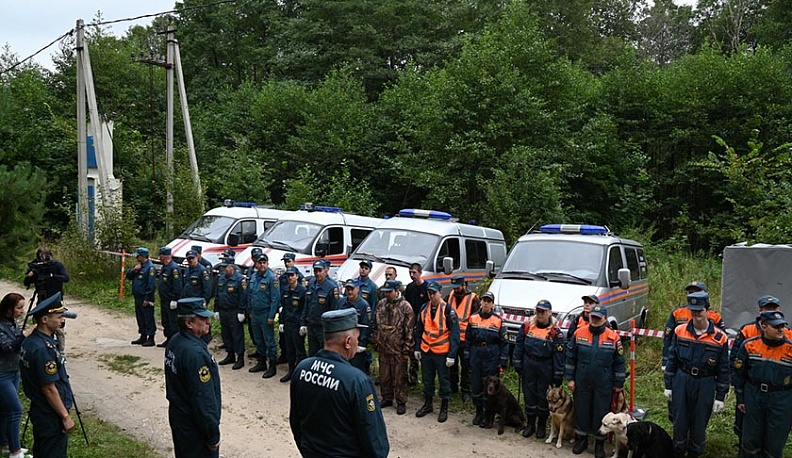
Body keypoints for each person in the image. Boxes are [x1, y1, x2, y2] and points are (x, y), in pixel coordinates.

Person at [289, 308, 389, 458]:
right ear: (348, 342)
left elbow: (295, 422)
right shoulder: (357, 381)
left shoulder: (302, 369)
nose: (357, 342)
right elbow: (372, 436)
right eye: (357, 338)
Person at [664, 291, 729, 458]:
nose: (696, 315)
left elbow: (723, 369)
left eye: (699, 311)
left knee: (699, 422)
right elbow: (672, 359)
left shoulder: (720, 338)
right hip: (682, 379)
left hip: (705, 382)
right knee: (679, 420)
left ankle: (694, 452)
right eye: (693, 311)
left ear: (707, 310)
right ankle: (678, 451)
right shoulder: (680, 331)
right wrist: (668, 385)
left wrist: (720, 396)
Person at [730, 294, 792, 453]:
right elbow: (739, 373)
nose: (781, 329)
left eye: (782, 326)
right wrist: (741, 398)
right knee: (750, 441)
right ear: (763, 326)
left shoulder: (790, 348)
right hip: (754, 396)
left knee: (774, 443)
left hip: (781, 399)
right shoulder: (749, 345)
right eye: (776, 326)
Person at [19, 293, 76, 458]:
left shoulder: (33, 341)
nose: (62, 320)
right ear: (45, 319)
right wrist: (65, 416)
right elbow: (49, 388)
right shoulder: (42, 348)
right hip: (50, 413)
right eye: (59, 317)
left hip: (41, 410)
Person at [566, 304, 625, 457]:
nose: (595, 320)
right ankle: (581, 440)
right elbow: (570, 357)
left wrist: (618, 383)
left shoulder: (613, 337)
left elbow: (619, 362)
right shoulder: (579, 333)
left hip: (603, 382)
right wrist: (570, 378)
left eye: (598, 318)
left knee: (601, 412)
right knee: (582, 410)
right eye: (593, 317)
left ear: (605, 319)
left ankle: (599, 444)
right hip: (582, 380)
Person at [165, 297, 221, 458]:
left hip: (180, 420)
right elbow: (203, 398)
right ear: (189, 323)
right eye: (202, 318)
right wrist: (212, 435)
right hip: (195, 426)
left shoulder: (175, 341)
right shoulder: (195, 354)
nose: (208, 322)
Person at [513, 299, 565, 438]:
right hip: (529, 363)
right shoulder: (527, 326)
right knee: (529, 395)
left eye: (543, 311)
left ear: (549, 313)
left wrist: (558, 373)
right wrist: (517, 362)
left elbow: (559, 355)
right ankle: (530, 424)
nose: (540, 314)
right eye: (538, 311)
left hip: (545, 366)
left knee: (543, 397)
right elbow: (519, 345)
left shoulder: (555, 332)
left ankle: (541, 425)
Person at [414, 281, 460, 423]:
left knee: (443, 380)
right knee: (427, 378)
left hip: (441, 351)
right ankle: (428, 404)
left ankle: (444, 407)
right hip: (426, 350)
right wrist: (417, 348)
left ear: (440, 293)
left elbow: (455, 333)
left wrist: (452, 355)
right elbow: (419, 329)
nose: (432, 296)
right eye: (429, 293)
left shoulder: (448, 310)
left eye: (434, 293)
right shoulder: (424, 308)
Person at [466, 291, 509, 428]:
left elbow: (504, 342)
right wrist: (467, 354)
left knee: (490, 388)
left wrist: (503, 360)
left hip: (491, 355)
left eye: (489, 301)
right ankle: (479, 412)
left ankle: (488, 415)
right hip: (476, 353)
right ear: (481, 302)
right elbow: (468, 338)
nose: (486, 303)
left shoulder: (498, 320)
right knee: (476, 386)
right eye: (484, 300)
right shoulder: (473, 318)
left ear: (492, 304)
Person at [372, 279, 414, 415]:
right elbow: (376, 325)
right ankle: (387, 398)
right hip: (383, 348)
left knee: (399, 377)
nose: (387, 294)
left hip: (398, 350)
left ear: (397, 291)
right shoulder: (381, 304)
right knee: (384, 376)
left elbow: (409, 331)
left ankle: (401, 401)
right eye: (385, 292)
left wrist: (406, 349)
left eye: (389, 292)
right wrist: (376, 341)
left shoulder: (405, 307)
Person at [0, 293, 32, 458]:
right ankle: (15, 451)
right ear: (8, 308)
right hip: (2, 374)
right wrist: (24, 335)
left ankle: (5, 444)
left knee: (5, 410)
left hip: (13, 371)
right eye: (19, 308)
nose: (22, 311)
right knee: (15, 410)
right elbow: (7, 347)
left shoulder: (12, 321)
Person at [445, 275, 479, 402]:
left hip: (466, 339)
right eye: (454, 287)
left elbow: (476, 319)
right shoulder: (450, 296)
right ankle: (453, 387)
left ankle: (465, 390)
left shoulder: (473, 298)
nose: (455, 289)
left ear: (464, 285)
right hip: (452, 339)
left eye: (457, 287)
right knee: (452, 365)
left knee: (466, 367)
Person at [247, 253, 280, 378]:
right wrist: (250, 310)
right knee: (258, 339)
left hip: (266, 313)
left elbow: (275, 299)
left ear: (267, 263)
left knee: (269, 341)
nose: (262, 265)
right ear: (256, 264)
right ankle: (261, 362)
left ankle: (272, 366)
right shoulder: (254, 276)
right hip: (255, 313)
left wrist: (271, 316)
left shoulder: (272, 278)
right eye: (259, 262)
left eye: (264, 262)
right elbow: (250, 294)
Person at [215, 252, 248, 371]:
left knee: (237, 335)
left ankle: (240, 357)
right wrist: (216, 309)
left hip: (234, 311)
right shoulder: (221, 278)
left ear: (232, 266)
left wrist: (241, 311)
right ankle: (230, 354)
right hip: (223, 310)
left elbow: (243, 297)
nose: (224, 269)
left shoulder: (239, 280)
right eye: (223, 267)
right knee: (226, 334)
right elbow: (217, 294)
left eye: (226, 267)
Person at [301, 260, 339, 357]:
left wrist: (331, 329)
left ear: (325, 271)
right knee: (312, 355)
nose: (317, 274)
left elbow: (334, 310)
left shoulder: (332, 288)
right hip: (311, 326)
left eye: (320, 271)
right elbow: (306, 304)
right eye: (315, 271)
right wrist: (303, 322)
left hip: (323, 329)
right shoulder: (311, 283)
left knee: (324, 355)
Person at [335, 279, 372, 373]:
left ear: (357, 289)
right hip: (342, 343)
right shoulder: (341, 302)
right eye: (348, 289)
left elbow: (366, 326)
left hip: (356, 344)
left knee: (356, 370)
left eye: (352, 289)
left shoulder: (363, 305)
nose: (350, 292)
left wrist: (362, 344)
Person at [278, 266, 307, 383]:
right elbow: (283, 308)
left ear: (297, 276)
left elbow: (304, 309)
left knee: (299, 350)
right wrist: (281, 322)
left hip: (297, 325)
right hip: (288, 323)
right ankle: (291, 371)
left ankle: (301, 373)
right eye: (288, 276)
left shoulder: (302, 291)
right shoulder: (285, 290)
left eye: (292, 275)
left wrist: (303, 324)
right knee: (289, 350)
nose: (290, 278)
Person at [126, 247, 157, 347]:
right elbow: (128, 276)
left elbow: (151, 285)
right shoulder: (139, 266)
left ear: (143, 256)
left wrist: (148, 298)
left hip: (145, 297)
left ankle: (151, 338)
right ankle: (143, 335)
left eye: (138, 256)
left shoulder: (150, 268)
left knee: (148, 317)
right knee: (140, 317)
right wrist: (134, 270)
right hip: (137, 296)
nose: (136, 258)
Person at [403, 263, 428, 386]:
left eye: (414, 273)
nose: (412, 275)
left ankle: (425, 378)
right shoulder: (409, 287)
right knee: (411, 350)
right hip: (411, 322)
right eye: (410, 273)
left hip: (423, 323)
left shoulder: (426, 288)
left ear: (420, 273)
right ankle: (412, 377)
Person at [157, 246, 183, 348]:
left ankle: (174, 342)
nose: (159, 258)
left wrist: (175, 299)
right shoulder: (165, 267)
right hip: (164, 299)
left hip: (170, 300)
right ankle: (168, 339)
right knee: (165, 321)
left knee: (173, 322)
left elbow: (177, 285)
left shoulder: (174, 268)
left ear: (165, 256)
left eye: (161, 256)